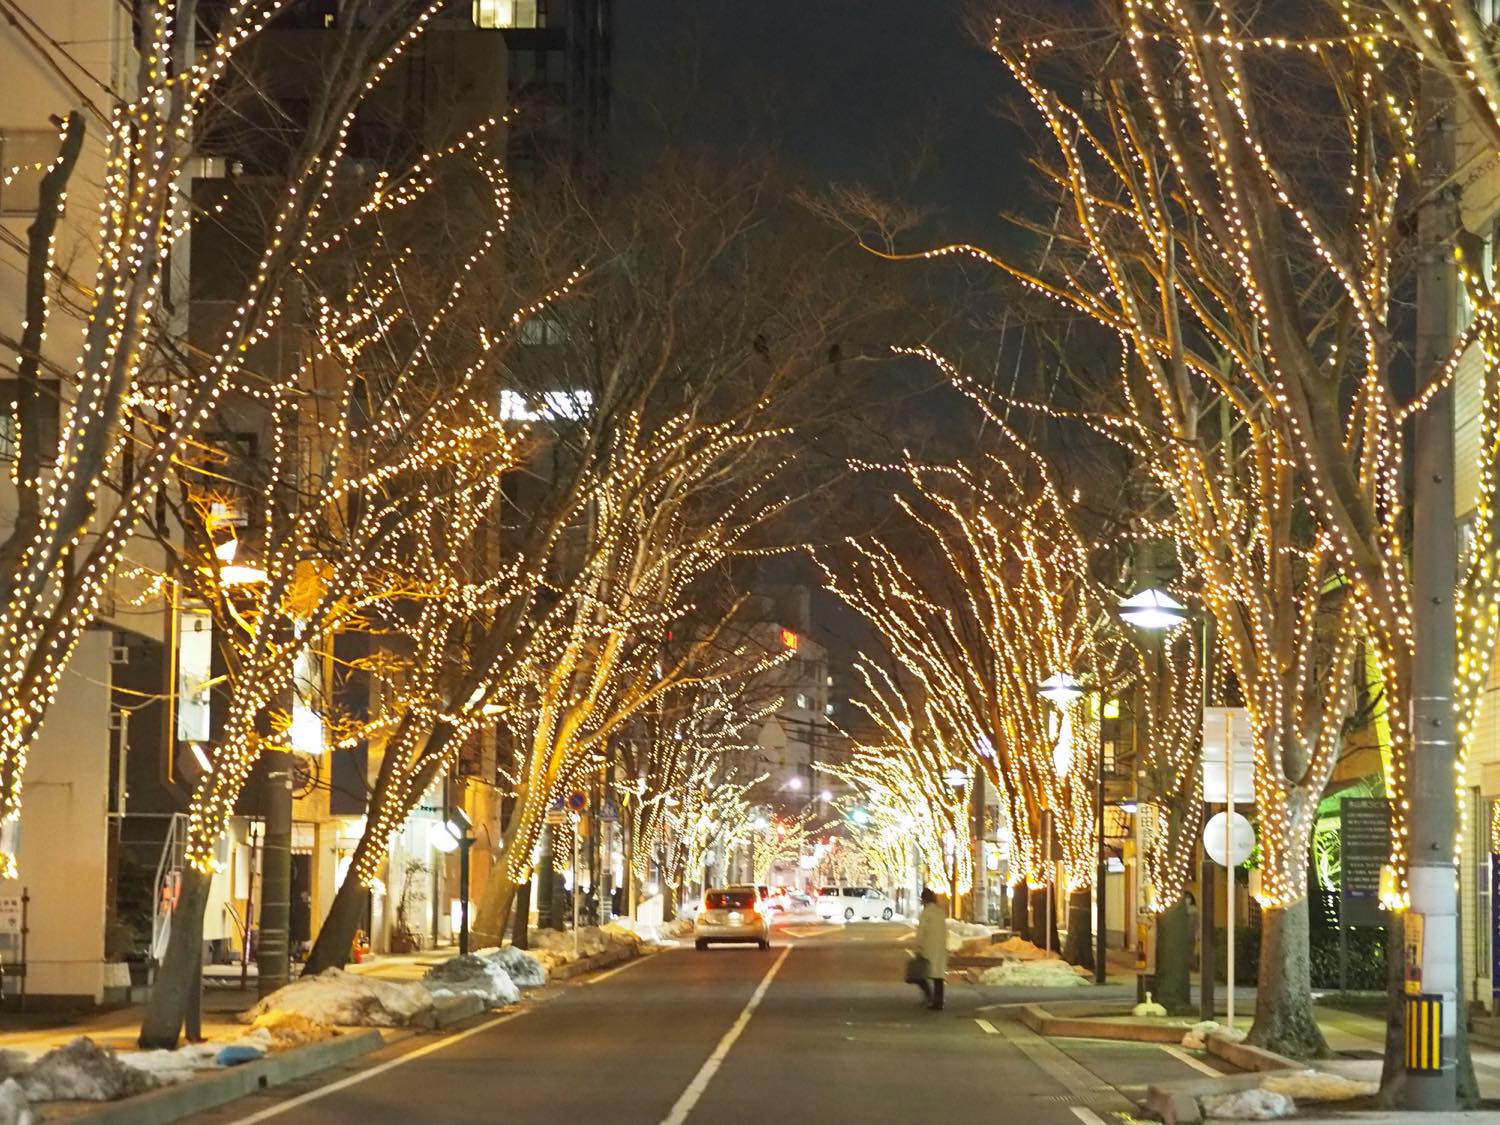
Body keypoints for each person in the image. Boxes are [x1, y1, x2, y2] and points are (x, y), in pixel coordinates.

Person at [912, 887, 948, 1010]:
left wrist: (918, 947)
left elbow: (921, 932)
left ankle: (930, 996)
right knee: (939, 977)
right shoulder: (940, 912)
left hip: (928, 948)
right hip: (940, 948)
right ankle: (939, 1001)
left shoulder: (926, 913)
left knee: (920, 976)